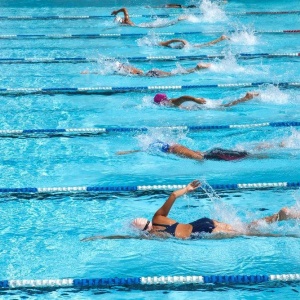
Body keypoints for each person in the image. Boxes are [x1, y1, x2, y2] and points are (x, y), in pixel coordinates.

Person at [82, 180, 300, 241]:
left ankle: (286, 228)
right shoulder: (157, 219)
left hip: (202, 232)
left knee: (249, 233)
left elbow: (121, 237)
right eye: (136, 220)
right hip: (202, 222)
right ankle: (279, 216)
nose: (135, 218)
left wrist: (99, 237)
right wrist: (186, 188)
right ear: (143, 225)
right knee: (246, 228)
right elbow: (173, 196)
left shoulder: (151, 235)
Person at [117, 140, 250, 161]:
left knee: (250, 156)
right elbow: (142, 149)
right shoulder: (173, 147)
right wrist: (127, 152)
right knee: (248, 154)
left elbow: (198, 157)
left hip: (218, 155)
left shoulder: (176, 150)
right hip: (214, 153)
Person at [81, 62, 211, 77]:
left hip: (149, 74)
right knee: (174, 74)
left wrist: (91, 73)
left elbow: (107, 73)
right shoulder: (126, 67)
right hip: (150, 71)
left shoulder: (124, 71)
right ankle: (195, 68)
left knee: (174, 75)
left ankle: (196, 68)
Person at [153, 91, 259, 108]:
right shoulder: (170, 101)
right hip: (198, 103)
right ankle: (247, 97)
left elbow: (183, 97)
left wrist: (196, 100)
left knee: (225, 107)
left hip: (200, 104)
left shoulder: (171, 103)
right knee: (223, 104)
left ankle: (246, 98)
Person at [111, 7, 187, 28]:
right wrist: (116, 12)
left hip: (146, 26)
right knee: (164, 24)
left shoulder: (126, 21)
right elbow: (124, 9)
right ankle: (177, 19)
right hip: (144, 25)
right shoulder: (126, 21)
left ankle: (178, 19)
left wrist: (116, 12)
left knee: (165, 25)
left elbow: (124, 8)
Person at [159, 35, 229, 49]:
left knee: (205, 45)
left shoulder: (167, 45)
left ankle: (221, 39)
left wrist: (180, 40)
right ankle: (220, 39)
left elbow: (171, 41)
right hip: (187, 46)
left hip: (186, 46)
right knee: (205, 45)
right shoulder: (169, 46)